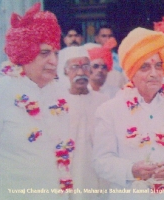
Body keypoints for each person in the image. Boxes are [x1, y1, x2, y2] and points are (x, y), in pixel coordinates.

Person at [93, 27, 164, 200]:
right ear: (132, 72)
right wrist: (131, 170)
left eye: (158, 65)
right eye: (145, 67)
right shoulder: (110, 110)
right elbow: (101, 161)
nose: (154, 74)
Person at [0, 3, 74, 200]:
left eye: (56, 53)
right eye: (44, 53)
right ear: (24, 53)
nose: (54, 61)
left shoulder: (59, 94)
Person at [60, 46, 110, 200]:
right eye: (75, 67)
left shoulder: (103, 101)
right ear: (65, 71)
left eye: (85, 67)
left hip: (96, 173)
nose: (81, 73)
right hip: (67, 171)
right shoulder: (57, 103)